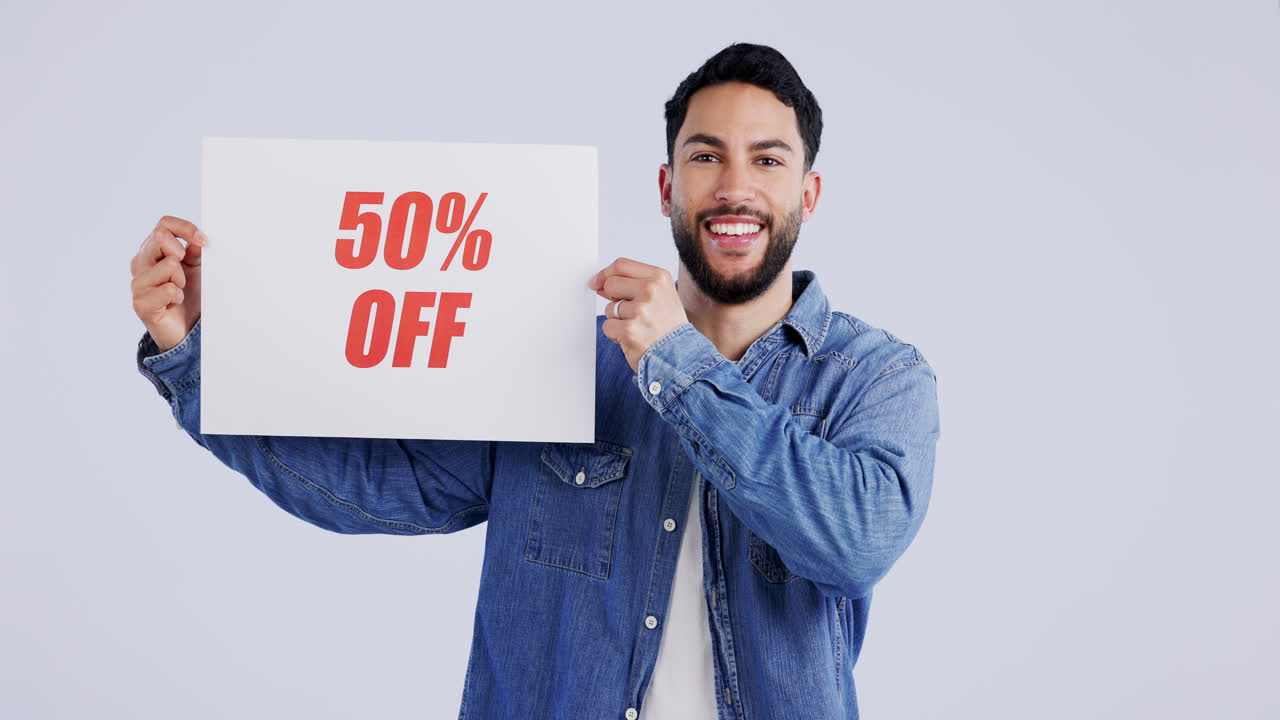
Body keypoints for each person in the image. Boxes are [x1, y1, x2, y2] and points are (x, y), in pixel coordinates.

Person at [131, 43, 940, 720]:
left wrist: (677, 366)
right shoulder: (551, 356)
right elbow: (376, 485)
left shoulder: (879, 378)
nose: (735, 186)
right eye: (705, 155)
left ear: (808, 192)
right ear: (667, 188)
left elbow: (855, 541)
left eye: (768, 159)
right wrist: (201, 351)